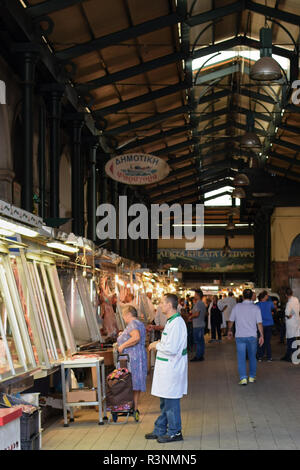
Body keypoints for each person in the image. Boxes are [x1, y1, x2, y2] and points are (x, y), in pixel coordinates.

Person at [146, 293, 187, 443]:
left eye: (162, 303)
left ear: (169, 305)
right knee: (165, 401)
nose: (160, 306)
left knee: (171, 402)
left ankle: (175, 432)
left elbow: (172, 347)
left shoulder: (177, 323)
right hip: (167, 367)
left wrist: (157, 345)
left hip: (172, 368)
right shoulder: (171, 321)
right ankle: (160, 429)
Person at [227, 288, 264, 385]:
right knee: (252, 357)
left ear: (243, 296)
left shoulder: (237, 307)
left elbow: (231, 320)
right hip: (252, 336)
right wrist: (262, 335)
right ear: (252, 296)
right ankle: (252, 377)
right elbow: (259, 323)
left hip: (240, 336)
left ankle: (243, 378)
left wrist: (229, 330)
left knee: (241, 358)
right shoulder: (256, 308)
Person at [117, 305, 147, 417]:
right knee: (135, 383)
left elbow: (136, 337)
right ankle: (134, 408)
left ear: (129, 314)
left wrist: (122, 346)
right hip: (138, 356)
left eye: (124, 315)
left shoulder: (132, 324)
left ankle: (129, 408)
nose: (124, 317)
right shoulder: (139, 323)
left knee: (129, 381)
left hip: (132, 357)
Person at [281, 287, 300, 362]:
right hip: (297, 321)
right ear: (292, 293)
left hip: (291, 323)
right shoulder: (296, 299)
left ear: (286, 295)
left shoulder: (289, 303)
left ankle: (290, 357)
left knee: (290, 340)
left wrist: (288, 316)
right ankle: (290, 355)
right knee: (294, 339)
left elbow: (287, 314)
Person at [188, 289, 207, 362]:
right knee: (201, 341)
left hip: (198, 325)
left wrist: (190, 317)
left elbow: (197, 314)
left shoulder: (198, 303)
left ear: (198, 295)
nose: (194, 295)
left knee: (198, 341)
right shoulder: (202, 303)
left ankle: (198, 356)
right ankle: (201, 355)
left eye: (195, 294)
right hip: (200, 324)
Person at [256, 291, 275, 362]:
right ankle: (269, 357)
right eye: (267, 295)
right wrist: (269, 298)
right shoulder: (270, 303)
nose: (268, 296)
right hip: (269, 324)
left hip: (260, 325)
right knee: (267, 341)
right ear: (264, 297)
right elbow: (274, 307)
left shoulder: (257, 304)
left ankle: (259, 356)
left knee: (260, 340)